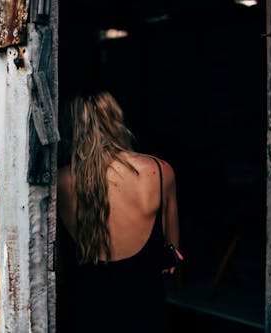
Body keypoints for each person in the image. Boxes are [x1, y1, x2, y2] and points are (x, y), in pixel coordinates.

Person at [56, 88, 183, 333]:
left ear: (70, 127)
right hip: (147, 320)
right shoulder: (159, 171)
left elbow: (58, 269)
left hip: (84, 319)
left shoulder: (59, 185)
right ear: (117, 120)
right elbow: (172, 257)